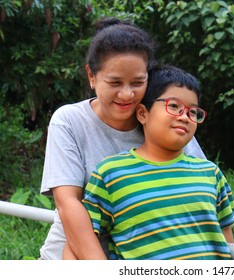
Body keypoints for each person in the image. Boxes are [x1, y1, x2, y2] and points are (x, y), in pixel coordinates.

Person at [39, 18, 205, 260]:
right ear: (91, 76)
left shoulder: (167, 120)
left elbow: (199, 186)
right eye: (115, 82)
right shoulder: (69, 121)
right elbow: (68, 204)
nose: (127, 94)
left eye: (138, 82)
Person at [71, 64, 234, 260]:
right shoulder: (111, 175)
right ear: (143, 113)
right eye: (174, 106)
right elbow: (78, 241)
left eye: (193, 112)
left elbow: (228, 243)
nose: (185, 117)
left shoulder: (211, 173)